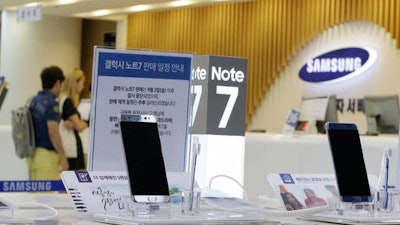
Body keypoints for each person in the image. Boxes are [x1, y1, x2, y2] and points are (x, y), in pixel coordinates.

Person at [28, 66, 69, 180]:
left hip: (31, 156)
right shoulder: (52, 103)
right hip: (47, 157)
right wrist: (63, 156)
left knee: (34, 195)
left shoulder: (33, 101)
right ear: (57, 83)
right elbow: (53, 131)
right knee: (46, 196)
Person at [59, 68, 88, 170]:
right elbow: (79, 127)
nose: (83, 86)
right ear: (75, 82)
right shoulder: (68, 102)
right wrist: (85, 123)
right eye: (82, 82)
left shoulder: (59, 99)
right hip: (71, 148)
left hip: (63, 147)